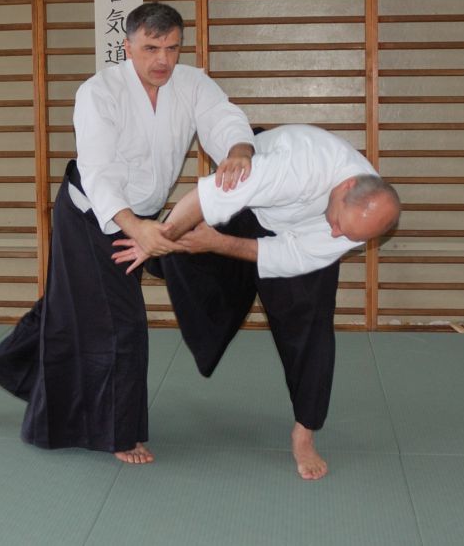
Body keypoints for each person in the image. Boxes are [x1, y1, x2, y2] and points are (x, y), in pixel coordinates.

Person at [0, 2, 254, 465]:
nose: (163, 60)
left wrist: (238, 149)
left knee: (68, 306)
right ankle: (118, 431)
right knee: (120, 322)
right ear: (127, 46)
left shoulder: (191, 84)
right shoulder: (99, 92)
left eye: (172, 48)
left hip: (145, 216)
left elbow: (223, 118)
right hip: (91, 214)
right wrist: (137, 230)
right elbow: (100, 173)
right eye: (151, 48)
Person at [112, 124, 400, 479]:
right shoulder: (298, 169)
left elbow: (292, 256)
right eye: (340, 224)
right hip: (251, 201)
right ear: (345, 187)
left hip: (294, 234)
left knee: (310, 324)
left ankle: (304, 434)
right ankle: (162, 256)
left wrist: (217, 243)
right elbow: (206, 197)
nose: (337, 234)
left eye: (349, 235)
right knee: (178, 248)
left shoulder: (359, 222)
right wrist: (152, 240)